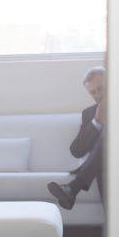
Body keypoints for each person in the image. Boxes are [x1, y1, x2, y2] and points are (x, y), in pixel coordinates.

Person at [48, 66, 105, 210]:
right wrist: (97, 122)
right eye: (93, 92)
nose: (98, 95)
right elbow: (76, 150)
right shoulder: (89, 114)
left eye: (101, 88)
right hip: (106, 169)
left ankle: (74, 187)